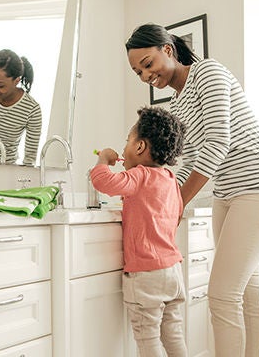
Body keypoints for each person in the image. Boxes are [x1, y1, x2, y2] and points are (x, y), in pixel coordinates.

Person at [126, 24, 259, 357]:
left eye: (147, 63)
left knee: (222, 295)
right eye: (137, 71)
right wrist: (160, 193)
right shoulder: (176, 106)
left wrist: (175, 204)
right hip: (226, 193)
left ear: (167, 50)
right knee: (245, 291)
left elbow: (218, 141)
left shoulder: (208, 72)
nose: (145, 75)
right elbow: (186, 162)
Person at [90, 106, 188, 357]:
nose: (123, 149)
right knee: (173, 333)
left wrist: (103, 159)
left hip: (147, 275)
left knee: (148, 337)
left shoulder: (139, 175)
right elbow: (174, 214)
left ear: (140, 147)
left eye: (127, 142)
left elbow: (104, 182)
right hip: (173, 270)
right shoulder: (169, 179)